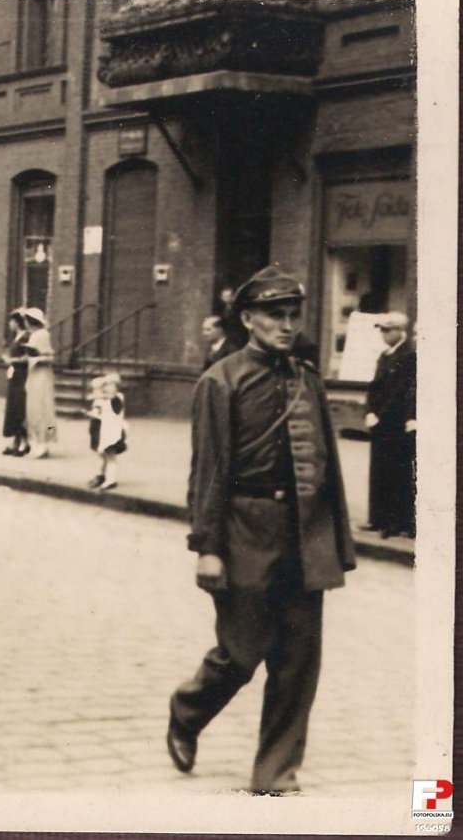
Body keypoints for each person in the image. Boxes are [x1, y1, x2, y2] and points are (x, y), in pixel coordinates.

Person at [167, 265, 356, 795]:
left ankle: (275, 774)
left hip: (304, 537)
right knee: (240, 652)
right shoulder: (220, 381)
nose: (287, 324)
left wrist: (335, 543)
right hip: (244, 530)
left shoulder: (307, 379)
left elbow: (327, 469)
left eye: (293, 314)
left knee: (298, 661)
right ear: (248, 318)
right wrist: (206, 547)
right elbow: (208, 469)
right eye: (276, 314)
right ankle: (188, 710)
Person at [364, 312, 416, 539]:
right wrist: (368, 411)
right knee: (378, 470)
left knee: (395, 472)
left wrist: (381, 415)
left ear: (399, 331)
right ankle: (377, 518)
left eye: (387, 330)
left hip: (394, 423)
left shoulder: (408, 356)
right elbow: (374, 387)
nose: (383, 334)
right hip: (379, 422)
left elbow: (400, 392)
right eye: (382, 330)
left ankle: (394, 521)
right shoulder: (385, 356)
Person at [20, 307, 57, 459]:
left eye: (27, 320)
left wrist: (35, 358)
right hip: (34, 374)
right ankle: (36, 442)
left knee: (42, 407)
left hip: (41, 375)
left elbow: (49, 356)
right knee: (33, 408)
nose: (26, 324)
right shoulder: (35, 335)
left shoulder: (42, 335)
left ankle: (43, 443)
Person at [86, 373, 127, 492]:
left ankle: (111, 480)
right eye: (106, 385)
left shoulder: (117, 398)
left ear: (117, 387)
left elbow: (112, 405)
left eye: (110, 385)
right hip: (105, 432)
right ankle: (102, 475)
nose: (107, 388)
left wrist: (100, 394)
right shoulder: (106, 399)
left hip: (113, 433)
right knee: (103, 455)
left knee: (111, 456)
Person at [1, 310, 30, 456]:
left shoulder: (25, 337)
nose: (9, 324)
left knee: (19, 407)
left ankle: (22, 443)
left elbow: (28, 357)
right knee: (14, 408)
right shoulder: (17, 337)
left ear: (18, 322)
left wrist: (11, 360)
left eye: (12, 321)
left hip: (22, 376)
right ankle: (17, 442)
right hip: (15, 375)